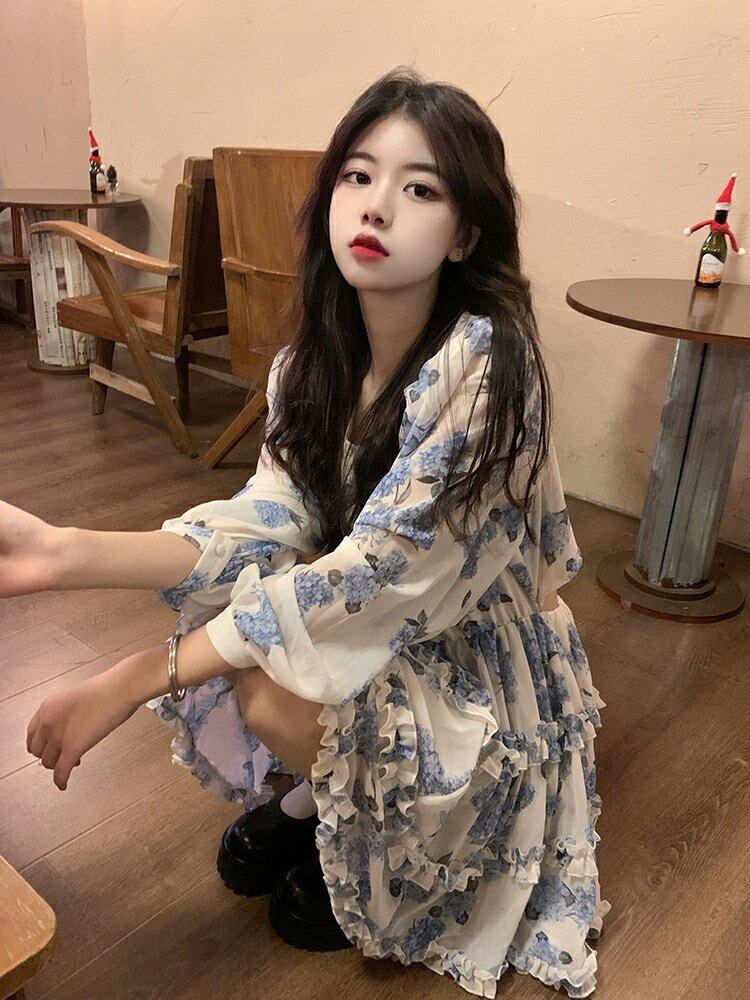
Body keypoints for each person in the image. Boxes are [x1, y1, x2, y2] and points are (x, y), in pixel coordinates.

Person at [7, 68, 610, 998]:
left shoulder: (490, 369)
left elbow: (376, 574)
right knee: (258, 635)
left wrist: (132, 678)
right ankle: (329, 801)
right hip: (386, 622)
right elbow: (270, 518)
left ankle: (389, 836)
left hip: (473, 650)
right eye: (357, 176)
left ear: (466, 235)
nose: (377, 206)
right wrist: (61, 552)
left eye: (420, 189)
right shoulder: (312, 362)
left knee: (266, 683)